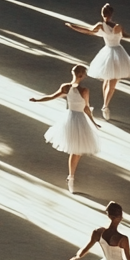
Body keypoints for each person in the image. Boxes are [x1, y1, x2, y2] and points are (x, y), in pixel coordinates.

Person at [31, 64, 99, 194]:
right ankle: (71, 177)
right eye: (84, 74)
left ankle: (71, 177)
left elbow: (51, 96)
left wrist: (37, 100)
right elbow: (86, 108)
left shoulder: (66, 87)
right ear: (81, 75)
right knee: (77, 150)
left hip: (69, 118)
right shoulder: (84, 90)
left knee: (75, 150)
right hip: (78, 120)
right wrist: (93, 122)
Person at [65, 4, 130, 120]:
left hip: (108, 52)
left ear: (102, 14)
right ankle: (105, 105)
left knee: (107, 80)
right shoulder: (118, 26)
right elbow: (125, 35)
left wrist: (73, 26)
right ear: (112, 14)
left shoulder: (101, 25)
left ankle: (105, 105)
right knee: (112, 82)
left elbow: (87, 31)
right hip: (118, 52)